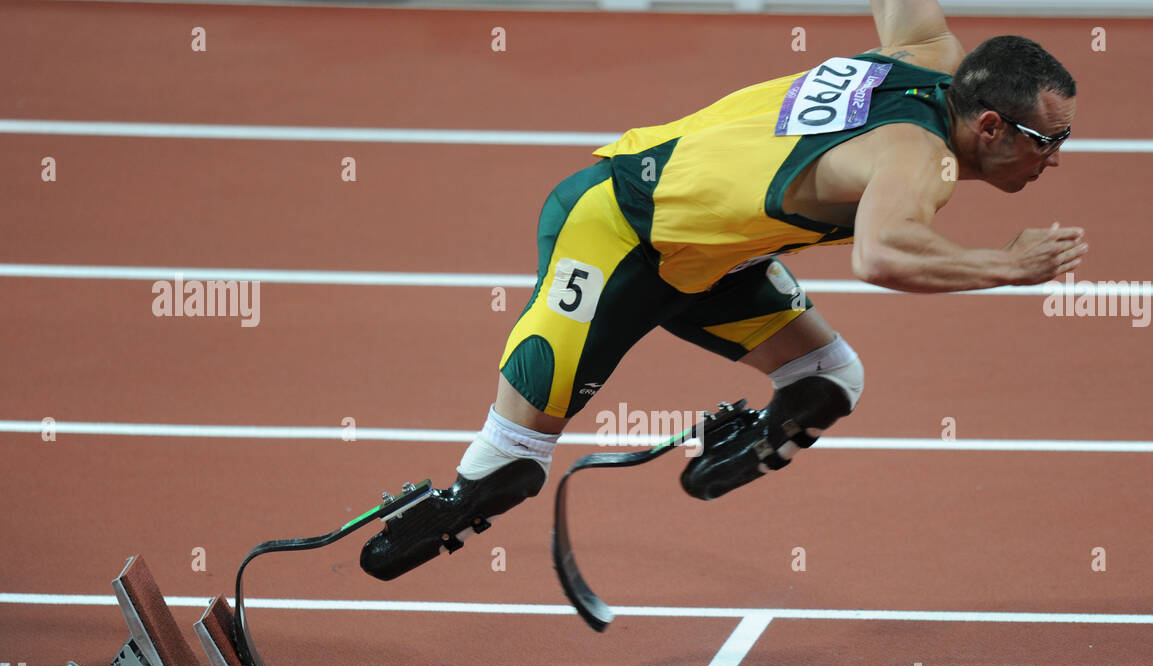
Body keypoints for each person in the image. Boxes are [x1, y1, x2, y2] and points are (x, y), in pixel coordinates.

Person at [359, 0, 1087, 582]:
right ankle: (435, 511)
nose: (1054, 160)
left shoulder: (930, 55)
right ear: (989, 125)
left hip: (718, 262)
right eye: (1045, 140)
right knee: (514, 461)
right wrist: (1009, 266)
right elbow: (883, 254)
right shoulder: (919, 158)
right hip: (618, 230)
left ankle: (721, 450)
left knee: (828, 378)